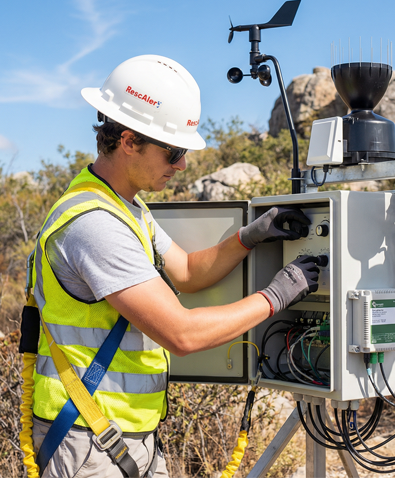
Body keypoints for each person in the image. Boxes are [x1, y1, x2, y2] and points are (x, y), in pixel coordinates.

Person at [25, 55, 320, 478]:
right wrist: (275, 296)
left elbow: (187, 272)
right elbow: (182, 334)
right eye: (174, 152)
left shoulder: (128, 208)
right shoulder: (94, 224)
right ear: (129, 141)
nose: (181, 165)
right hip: (87, 440)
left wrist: (249, 237)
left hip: (126, 434)